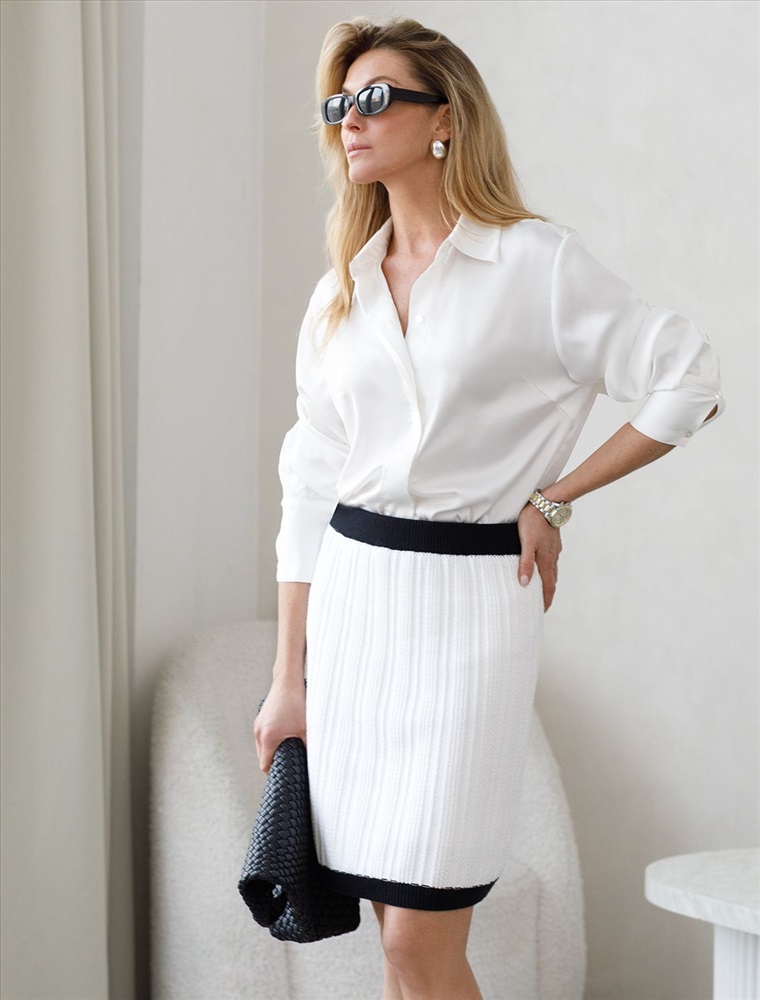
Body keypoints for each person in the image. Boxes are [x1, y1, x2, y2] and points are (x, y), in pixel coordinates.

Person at [254, 16, 723, 1000]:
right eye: (339, 104)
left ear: (445, 120)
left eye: (375, 97)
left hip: (468, 619)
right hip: (353, 613)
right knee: (393, 937)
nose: (349, 120)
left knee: (417, 943)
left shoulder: (535, 265)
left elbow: (689, 379)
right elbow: (308, 485)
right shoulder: (340, 291)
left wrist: (555, 496)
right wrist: (288, 677)